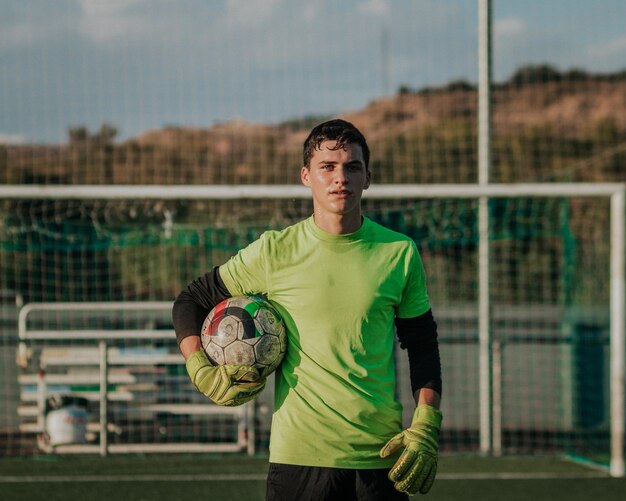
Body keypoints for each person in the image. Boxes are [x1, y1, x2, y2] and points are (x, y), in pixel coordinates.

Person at [172, 119, 443, 500]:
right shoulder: (274, 251)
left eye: (352, 167)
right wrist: (200, 369)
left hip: (382, 457)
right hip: (299, 459)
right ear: (306, 176)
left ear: (368, 178)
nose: (340, 178)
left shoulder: (399, 253)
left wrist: (427, 420)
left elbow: (423, 344)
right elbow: (191, 301)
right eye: (327, 167)